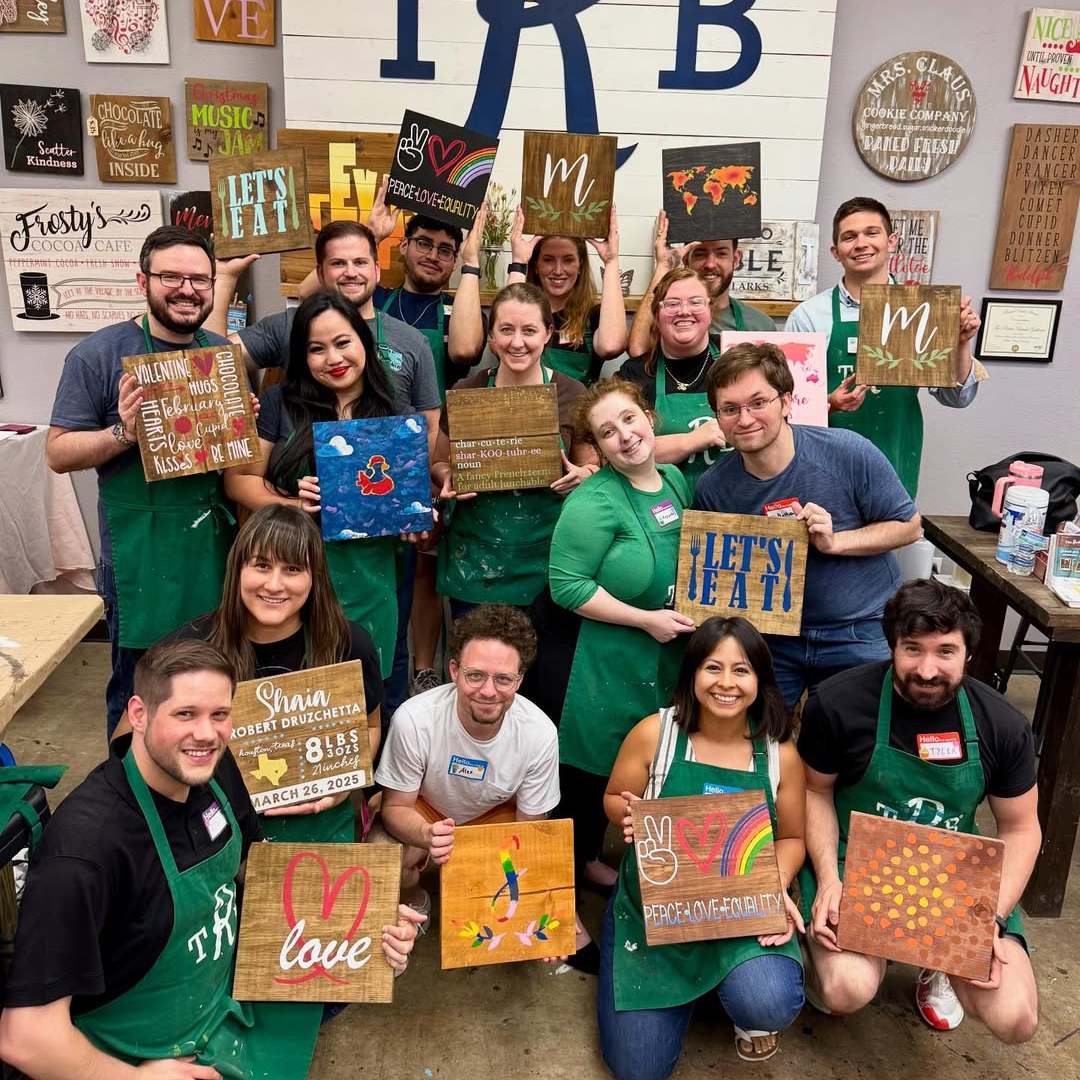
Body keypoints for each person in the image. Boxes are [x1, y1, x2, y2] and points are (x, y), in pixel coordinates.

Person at [0, 639, 423, 1079]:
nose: (206, 734)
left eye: (220, 715)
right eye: (185, 714)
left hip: (220, 1010)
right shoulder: (85, 849)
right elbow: (26, 1036)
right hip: (134, 1052)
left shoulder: (216, 772)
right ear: (139, 715)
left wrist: (365, 918)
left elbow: (253, 873)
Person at [797, 579, 1040, 1043]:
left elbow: (1021, 827)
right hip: (856, 867)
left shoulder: (1002, 725)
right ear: (892, 647)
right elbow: (814, 793)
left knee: (1017, 1018)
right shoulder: (839, 704)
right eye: (913, 649)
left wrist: (988, 918)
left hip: (955, 879)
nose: (927, 669)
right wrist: (829, 879)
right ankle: (855, 952)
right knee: (846, 989)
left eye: (945, 652)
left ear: (969, 653)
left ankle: (938, 964)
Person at [46, 226, 235, 738]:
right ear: (143, 280)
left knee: (207, 684)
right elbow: (58, 452)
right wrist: (123, 432)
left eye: (199, 279)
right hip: (140, 552)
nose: (187, 289)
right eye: (171, 276)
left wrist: (240, 422)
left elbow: (237, 460)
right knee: (140, 690)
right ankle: (127, 798)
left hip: (211, 547)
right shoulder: (98, 355)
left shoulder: (219, 354)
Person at [600, 618, 806, 1073]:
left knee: (768, 1001)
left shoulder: (779, 754)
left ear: (760, 680)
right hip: (657, 909)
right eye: (713, 668)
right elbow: (614, 798)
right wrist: (627, 813)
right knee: (638, 1070)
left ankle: (737, 998)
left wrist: (776, 882)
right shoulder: (656, 734)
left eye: (742, 670)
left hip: (740, 909)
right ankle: (698, 995)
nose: (726, 683)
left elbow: (792, 839)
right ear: (692, 673)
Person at [539, 378, 695, 928]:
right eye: (608, 432)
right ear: (598, 449)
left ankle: (591, 864)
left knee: (643, 774)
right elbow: (567, 585)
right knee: (586, 779)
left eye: (629, 420)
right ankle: (561, 905)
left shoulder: (675, 480)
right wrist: (644, 619)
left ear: (649, 418)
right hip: (602, 662)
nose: (625, 437)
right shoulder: (592, 499)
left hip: (667, 657)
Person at [694, 342, 922, 706]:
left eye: (758, 402)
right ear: (717, 418)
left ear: (786, 402)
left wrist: (836, 542)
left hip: (857, 630)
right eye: (730, 409)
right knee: (759, 737)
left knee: (855, 743)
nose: (746, 418)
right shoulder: (714, 489)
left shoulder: (848, 452)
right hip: (769, 637)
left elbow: (910, 526)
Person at [162, 504, 383, 844]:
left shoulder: (349, 643)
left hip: (320, 821)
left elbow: (369, 726)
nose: (274, 584)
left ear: (315, 578)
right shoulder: (189, 648)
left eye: (293, 569)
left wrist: (345, 784)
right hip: (216, 821)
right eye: (262, 565)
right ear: (238, 568)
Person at [224, 291, 408, 680]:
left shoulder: (396, 415)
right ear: (302, 357)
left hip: (370, 581)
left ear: (364, 341)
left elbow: (410, 502)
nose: (334, 359)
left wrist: (415, 521)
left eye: (343, 343)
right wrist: (293, 503)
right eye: (316, 349)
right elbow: (240, 482)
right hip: (288, 582)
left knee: (363, 699)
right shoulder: (279, 404)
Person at [785, 196, 981, 497]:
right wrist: (829, 402)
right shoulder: (809, 315)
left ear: (891, 241)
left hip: (895, 462)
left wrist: (960, 344)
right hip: (821, 469)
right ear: (836, 252)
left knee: (888, 542)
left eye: (871, 233)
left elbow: (957, 398)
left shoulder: (923, 310)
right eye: (849, 237)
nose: (861, 243)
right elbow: (789, 409)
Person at [373, 605, 560, 913]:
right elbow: (395, 807)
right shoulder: (415, 718)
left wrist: (542, 914)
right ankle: (414, 899)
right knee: (383, 852)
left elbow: (531, 831)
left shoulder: (540, 733)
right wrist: (426, 835)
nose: (488, 691)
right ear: (454, 671)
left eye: (503, 679)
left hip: (494, 817)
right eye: (475, 676)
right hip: (427, 810)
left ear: (519, 680)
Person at [432, 283, 598, 615]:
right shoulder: (468, 391)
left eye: (530, 330)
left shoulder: (572, 392)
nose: (517, 342)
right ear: (491, 337)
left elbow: (592, 466)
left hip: (550, 561)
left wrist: (584, 475)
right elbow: (438, 461)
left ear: (548, 333)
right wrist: (449, 476)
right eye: (506, 330)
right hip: (476, 563)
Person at [211, 219, 441, 443]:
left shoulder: (412, 341)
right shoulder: (290, 325)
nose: (351, 272)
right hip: (296, 470)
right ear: (320, 274)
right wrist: (224, 278)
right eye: (338, 263)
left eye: (360, 262)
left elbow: (428, 426)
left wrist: (410, 478)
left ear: (376, 271)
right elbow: (210, 362)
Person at [618, 267, 729, 489]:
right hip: (661, 509)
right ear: (656, 316)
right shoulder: (634, 375)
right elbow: (620, 452)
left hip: (730, 506)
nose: (684, 311)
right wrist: (691, 441)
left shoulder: (735, 357)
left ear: (710, 310)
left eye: (696, 302)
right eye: (672, 304)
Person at [626, 210, 775, 358]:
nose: (710, 264)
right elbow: (637, 350)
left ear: (736, 259)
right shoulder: (670, 317)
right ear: (685, 260)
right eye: (700, 254)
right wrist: (663, 266)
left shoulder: (760, 326)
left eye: (721, 253)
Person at [504, 206, 627, 383]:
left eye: (568, 260)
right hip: (523, 408)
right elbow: (502, 337)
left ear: (580, 266)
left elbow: (611, 346)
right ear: (536, 266)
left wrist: (611, 261)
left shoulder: (593, 315)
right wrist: (519, 261)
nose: (558, 270)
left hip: (575, 409)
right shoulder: (522, 311)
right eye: (548, 260)